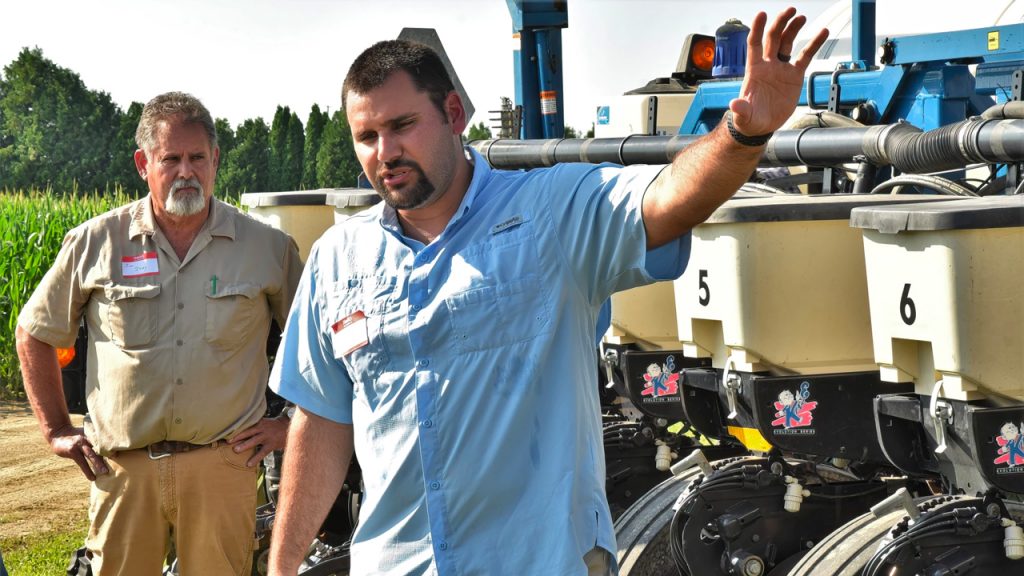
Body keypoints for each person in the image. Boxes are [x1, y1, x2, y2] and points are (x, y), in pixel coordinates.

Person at [268, 8, 828, 575]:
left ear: (454, 114)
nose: (384, 152)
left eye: (402, 125)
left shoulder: (549, 212)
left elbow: (664, 202)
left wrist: (745, 131)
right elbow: (320, 419)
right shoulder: (338, 259)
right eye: (366, 136)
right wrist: (283, 566)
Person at [15, 92, 303, 575]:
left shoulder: (268, 248)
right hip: (124, 473)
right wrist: (57, 430)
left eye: (197, 157)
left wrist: (291, 424)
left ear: (215, 160)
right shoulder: (95, 242)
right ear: (143, 164)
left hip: (224, 467)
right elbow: (34, 332)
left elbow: (315, 344)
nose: (186, 171)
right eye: (170, 159)